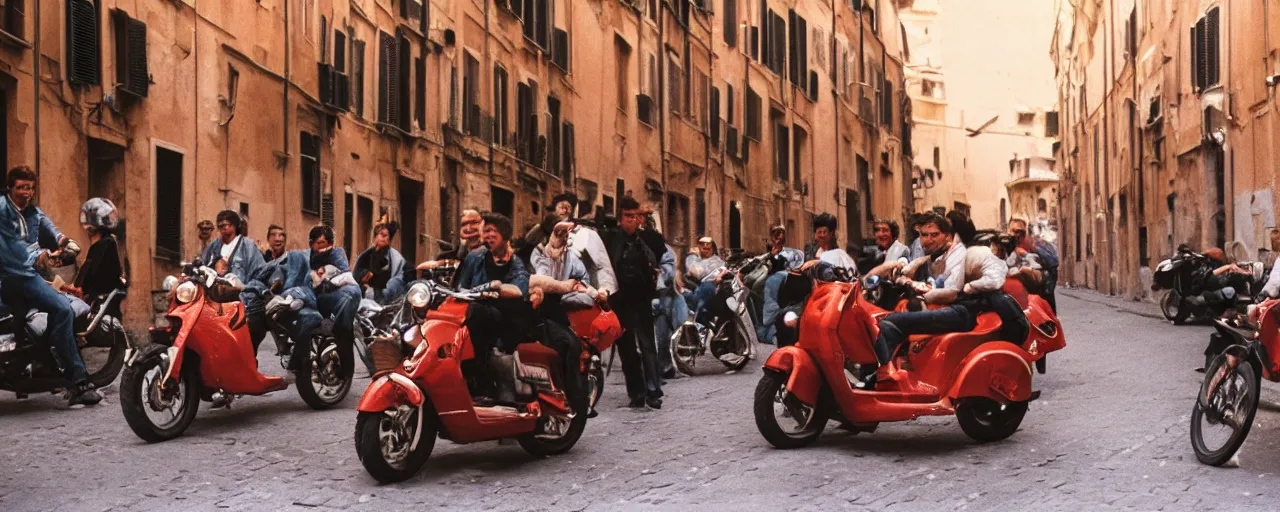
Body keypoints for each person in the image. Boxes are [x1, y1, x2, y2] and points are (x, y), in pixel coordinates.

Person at [0, 166, 100, 405]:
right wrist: (43, 256)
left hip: (27, 274)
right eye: (21, 187)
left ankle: (45, 362)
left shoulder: (31, 210)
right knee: (62, 309)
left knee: (53, 309)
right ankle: (79, 381)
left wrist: (65, 241)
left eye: (30, 188)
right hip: (15, 275)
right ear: (10, 188)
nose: (26, 192)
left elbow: (47, 226)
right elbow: (13, 249)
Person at [868, 214, 985, 387]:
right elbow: (917, 264)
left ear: (948, 236)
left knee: (891, 322)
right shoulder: (940, 254)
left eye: (934, 235)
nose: (927, 240)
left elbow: (951, 293)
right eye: (923, 235)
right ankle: (894, 367)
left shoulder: (959, 256)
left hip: (961, 310)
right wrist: (903, 268)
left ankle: (884, 376)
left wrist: (916, 286)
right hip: (951, 307)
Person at [605, 196, 665, 409]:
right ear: (621, 217)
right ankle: (637, 393)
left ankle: (653, 390)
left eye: (634, 216)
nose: (632, 221)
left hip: (641, 300)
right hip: (620, 302)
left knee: (648, 346)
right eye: (628, 216)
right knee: (627, 348)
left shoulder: (644, 240)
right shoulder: (611, 240)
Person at [202, 210, 269, 351]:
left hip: (242, 300)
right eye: (220, 226)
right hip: (217, 300)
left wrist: (246, 290)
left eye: (227, 225)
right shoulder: (214, 247)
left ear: (235, 226)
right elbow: (204, 267)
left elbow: (260, 273)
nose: (224, 229)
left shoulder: (248, 246)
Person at [68, 198, 125, 317]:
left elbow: (93, 271)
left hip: (102, 302)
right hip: (99, 300)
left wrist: (81, 288)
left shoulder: (106, 243)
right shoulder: (101, 244)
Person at [653, 242, 687, 379]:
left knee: (663, 332)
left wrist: (656, 274)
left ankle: (664, 365)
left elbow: (669, 269)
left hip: (662, 295)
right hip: (642, 295)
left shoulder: (662, 248)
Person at [1009, 218, 1059, 311]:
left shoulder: (1038, 244)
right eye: (1014, 231)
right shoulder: (1006, 246)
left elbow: (1054, 261)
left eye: (1020, 232)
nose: (1017, 235)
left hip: (1037, 291)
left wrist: (1034, 248)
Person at [354, 217, 408, 304]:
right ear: (375, 236)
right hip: (365, 295)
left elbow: (398, 279)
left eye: (385, 235)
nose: (382, 237)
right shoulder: (366, 255)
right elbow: (357, 274)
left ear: (389, 240)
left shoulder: (395, 258)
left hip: (384, 298)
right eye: (380, 234)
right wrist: (365, 276)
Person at [683, 236, 725, 317]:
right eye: (703, 248)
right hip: (695, 289)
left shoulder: (716, 261)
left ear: (713, 249)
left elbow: (696, 272)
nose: (705, 251)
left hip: (707, 292)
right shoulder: (698, 259)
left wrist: (692, 255)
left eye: (708, 249)